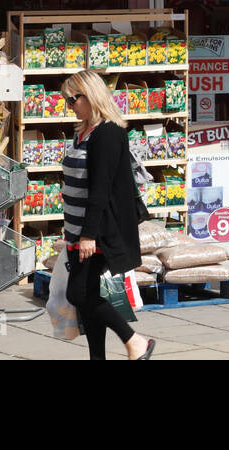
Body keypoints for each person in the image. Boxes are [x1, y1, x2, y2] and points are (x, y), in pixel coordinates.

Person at [60, 71, 155, 361]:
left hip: (97, 231)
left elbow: (100, 189)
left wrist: (88, 234)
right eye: (66, 100)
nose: (69, 105)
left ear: (90, 96)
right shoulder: (83, 131)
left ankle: (134, 340)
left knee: (79, 295)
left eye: (72, 99)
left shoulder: (108, 133)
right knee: (86, 298)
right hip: (77, 228)